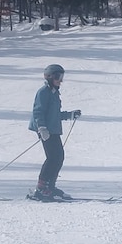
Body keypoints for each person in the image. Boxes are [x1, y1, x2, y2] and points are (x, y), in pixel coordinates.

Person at [28, 64, 82, 201]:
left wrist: (70, 115)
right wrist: (41, 128)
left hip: (53, 129)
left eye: (62, 77)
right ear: (50, 77)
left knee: (59, 158)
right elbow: (38, 111)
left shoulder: (54, 92)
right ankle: (41, 189)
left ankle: (50, 187)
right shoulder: (43, 92)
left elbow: (55, 114)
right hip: (46, 130)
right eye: (58, 77)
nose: (61, 80)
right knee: (53, 158)